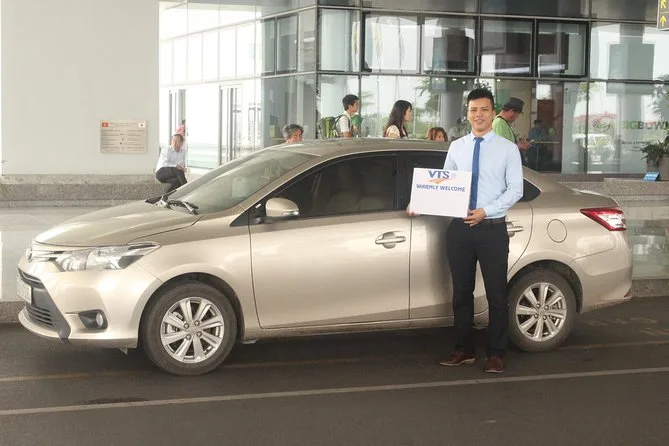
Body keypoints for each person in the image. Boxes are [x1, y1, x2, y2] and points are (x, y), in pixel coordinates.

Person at [437, 88, 523, 374]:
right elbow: (444, 184)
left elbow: (515, 190)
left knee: (497, 294)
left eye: (484, 109)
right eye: (473, 110)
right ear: (467, 113)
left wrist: (486, 210)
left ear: (493, 112)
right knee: (461, 293)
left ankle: (496, 352)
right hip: (460, 229)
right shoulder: (457, 147)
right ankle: (464, 349)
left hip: (491, 229)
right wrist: (422, 203)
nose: (478, 115)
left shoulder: (507, 149)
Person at [492, 97, 531, 165]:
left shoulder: (503, 123)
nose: (517, 117)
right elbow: (502, 147)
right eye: (517, 115)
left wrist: (519, 143)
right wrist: (520, 146)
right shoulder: (499, 123)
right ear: (512, 111)